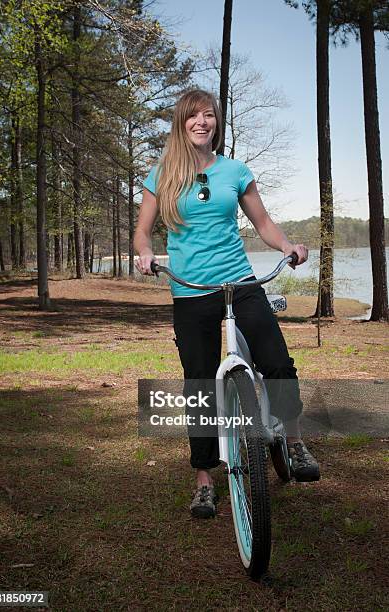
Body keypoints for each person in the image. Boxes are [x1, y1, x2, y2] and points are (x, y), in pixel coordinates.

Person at [134, 88, 320, 519]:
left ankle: (294, 442)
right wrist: (144, 252)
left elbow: (263, 222)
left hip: (239, 283)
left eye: (210, 116)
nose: (203, 122)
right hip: (190, 289)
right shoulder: (162, 174)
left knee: (276, 361)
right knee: (199, 383)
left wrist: (289, 245)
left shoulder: (235, 170)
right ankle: (204, 479)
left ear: (217, 123)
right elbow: (142, 231)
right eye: (194, 116)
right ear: (181, 122)